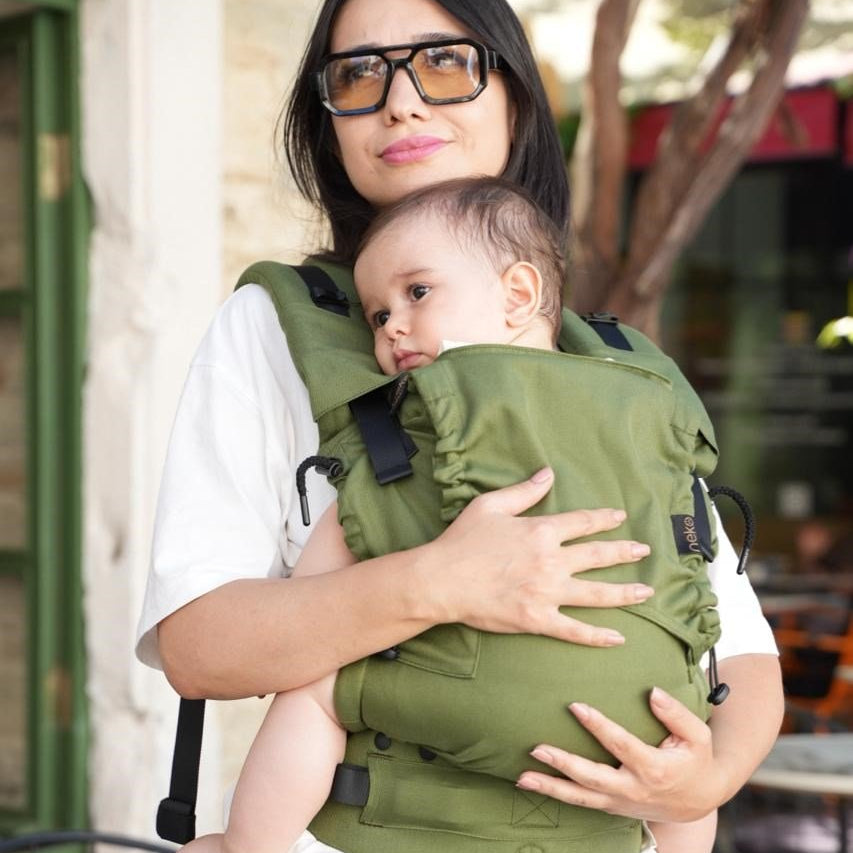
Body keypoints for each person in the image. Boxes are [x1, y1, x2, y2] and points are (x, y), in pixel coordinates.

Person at [137, 0, 782, 850]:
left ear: (513, 93)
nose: (400, 101)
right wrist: (438, 580)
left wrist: (707, 777)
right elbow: (199, 647)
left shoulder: (618, 369)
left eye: (443, 62)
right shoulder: (277, 328)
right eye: (358, 75)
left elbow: (731, 647)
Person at [180, 174, 725, 853]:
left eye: (417, 293)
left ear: (518, 294)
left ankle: (242, 847)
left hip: (454, 702)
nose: (392, 325)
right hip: (634, 716)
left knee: (315, 687)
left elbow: (317, 590)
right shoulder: (642, 413)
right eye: (378, 315)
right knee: (684, 743)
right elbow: (701, 586)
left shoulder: (423, 435)